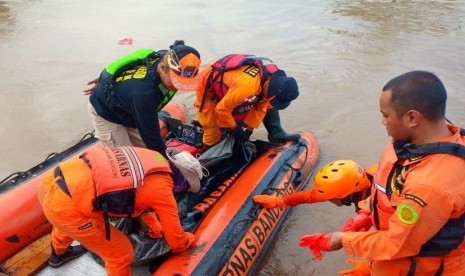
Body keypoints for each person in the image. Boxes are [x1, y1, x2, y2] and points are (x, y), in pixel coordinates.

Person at [298, 71, 465, 275]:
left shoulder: (429, 186)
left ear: (412, 117)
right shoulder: (410, 144)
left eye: (386, 115)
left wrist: (341, 239)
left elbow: (398, 243)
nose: (383, 122)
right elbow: (390, 187)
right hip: (394, 257)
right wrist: (367, 213)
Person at [39, 144, 201, 275]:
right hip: (67, 208)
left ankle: (58, 255)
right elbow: (176, 242)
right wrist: (190, 239)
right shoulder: (163, 192)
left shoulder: (152, 158)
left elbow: (140, 197)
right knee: (121, 255)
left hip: (54, 181)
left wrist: (155, 228)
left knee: (67, 220)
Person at [85, 41, 201, 156]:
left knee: (146, 151)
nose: (177, 87)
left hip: (129, 105)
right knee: (127, 157)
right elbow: (152, 138)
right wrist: (168, 161)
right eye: (176, 82)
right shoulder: (144, 93)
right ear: (162, 68)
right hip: (107, 111)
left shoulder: (167, 58)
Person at [194, 54, 300, 148]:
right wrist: (235, 128)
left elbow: (262, 104)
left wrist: (249, 130)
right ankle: (207, 153)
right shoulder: (246, 87)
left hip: (234, 81)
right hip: (209, 83)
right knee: (211, 130)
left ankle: (276, 132)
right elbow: (221, 109)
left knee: (268, 102)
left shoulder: (273, 79)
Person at [254, 159, 374, 232]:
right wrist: (279, 201)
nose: (327, 200)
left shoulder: (378, 206)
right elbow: (310, 196)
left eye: (330, 198)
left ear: (344, 196)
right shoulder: (357, 182)